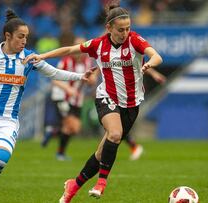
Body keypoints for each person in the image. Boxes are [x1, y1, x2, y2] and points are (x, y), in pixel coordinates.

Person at [24, 3, 163, 202]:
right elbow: (70, 49)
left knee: (101, 154)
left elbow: (156, 55)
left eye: (128, 29)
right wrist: (43, 56)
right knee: (114, 135)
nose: (125, 33)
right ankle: (101, 183)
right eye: (120, 29)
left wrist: (150, 63)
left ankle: (73, 186)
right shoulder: (98, 45)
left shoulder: (135, 41)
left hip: (132, 103)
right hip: (106, 96)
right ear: (109, 28)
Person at [0, 9, 94, 203]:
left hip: (7, 120)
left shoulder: (29, 58)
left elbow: (54, 73)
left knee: (0, 160)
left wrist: (80, 76)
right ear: (8, 36)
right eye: (21, 37)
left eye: (26, 37)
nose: (24, 41)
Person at [41, 36, 97, 161]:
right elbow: (54, 79)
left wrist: (92, 80)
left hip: (77, 99)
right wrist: (68, 89)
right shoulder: (66, 61)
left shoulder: (87, 62)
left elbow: (91, 81)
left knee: (74, 128)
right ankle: (60, 153)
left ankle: (53, 131)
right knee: (70, 126)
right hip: (62, 96)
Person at [124, 68, 166, 160]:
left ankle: (134, 147)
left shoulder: (128, 56)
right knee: (117, 129)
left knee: (119, 128)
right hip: (117, 94)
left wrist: (154, 74)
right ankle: (134, 147)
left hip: (128, 96)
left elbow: (142, 64)